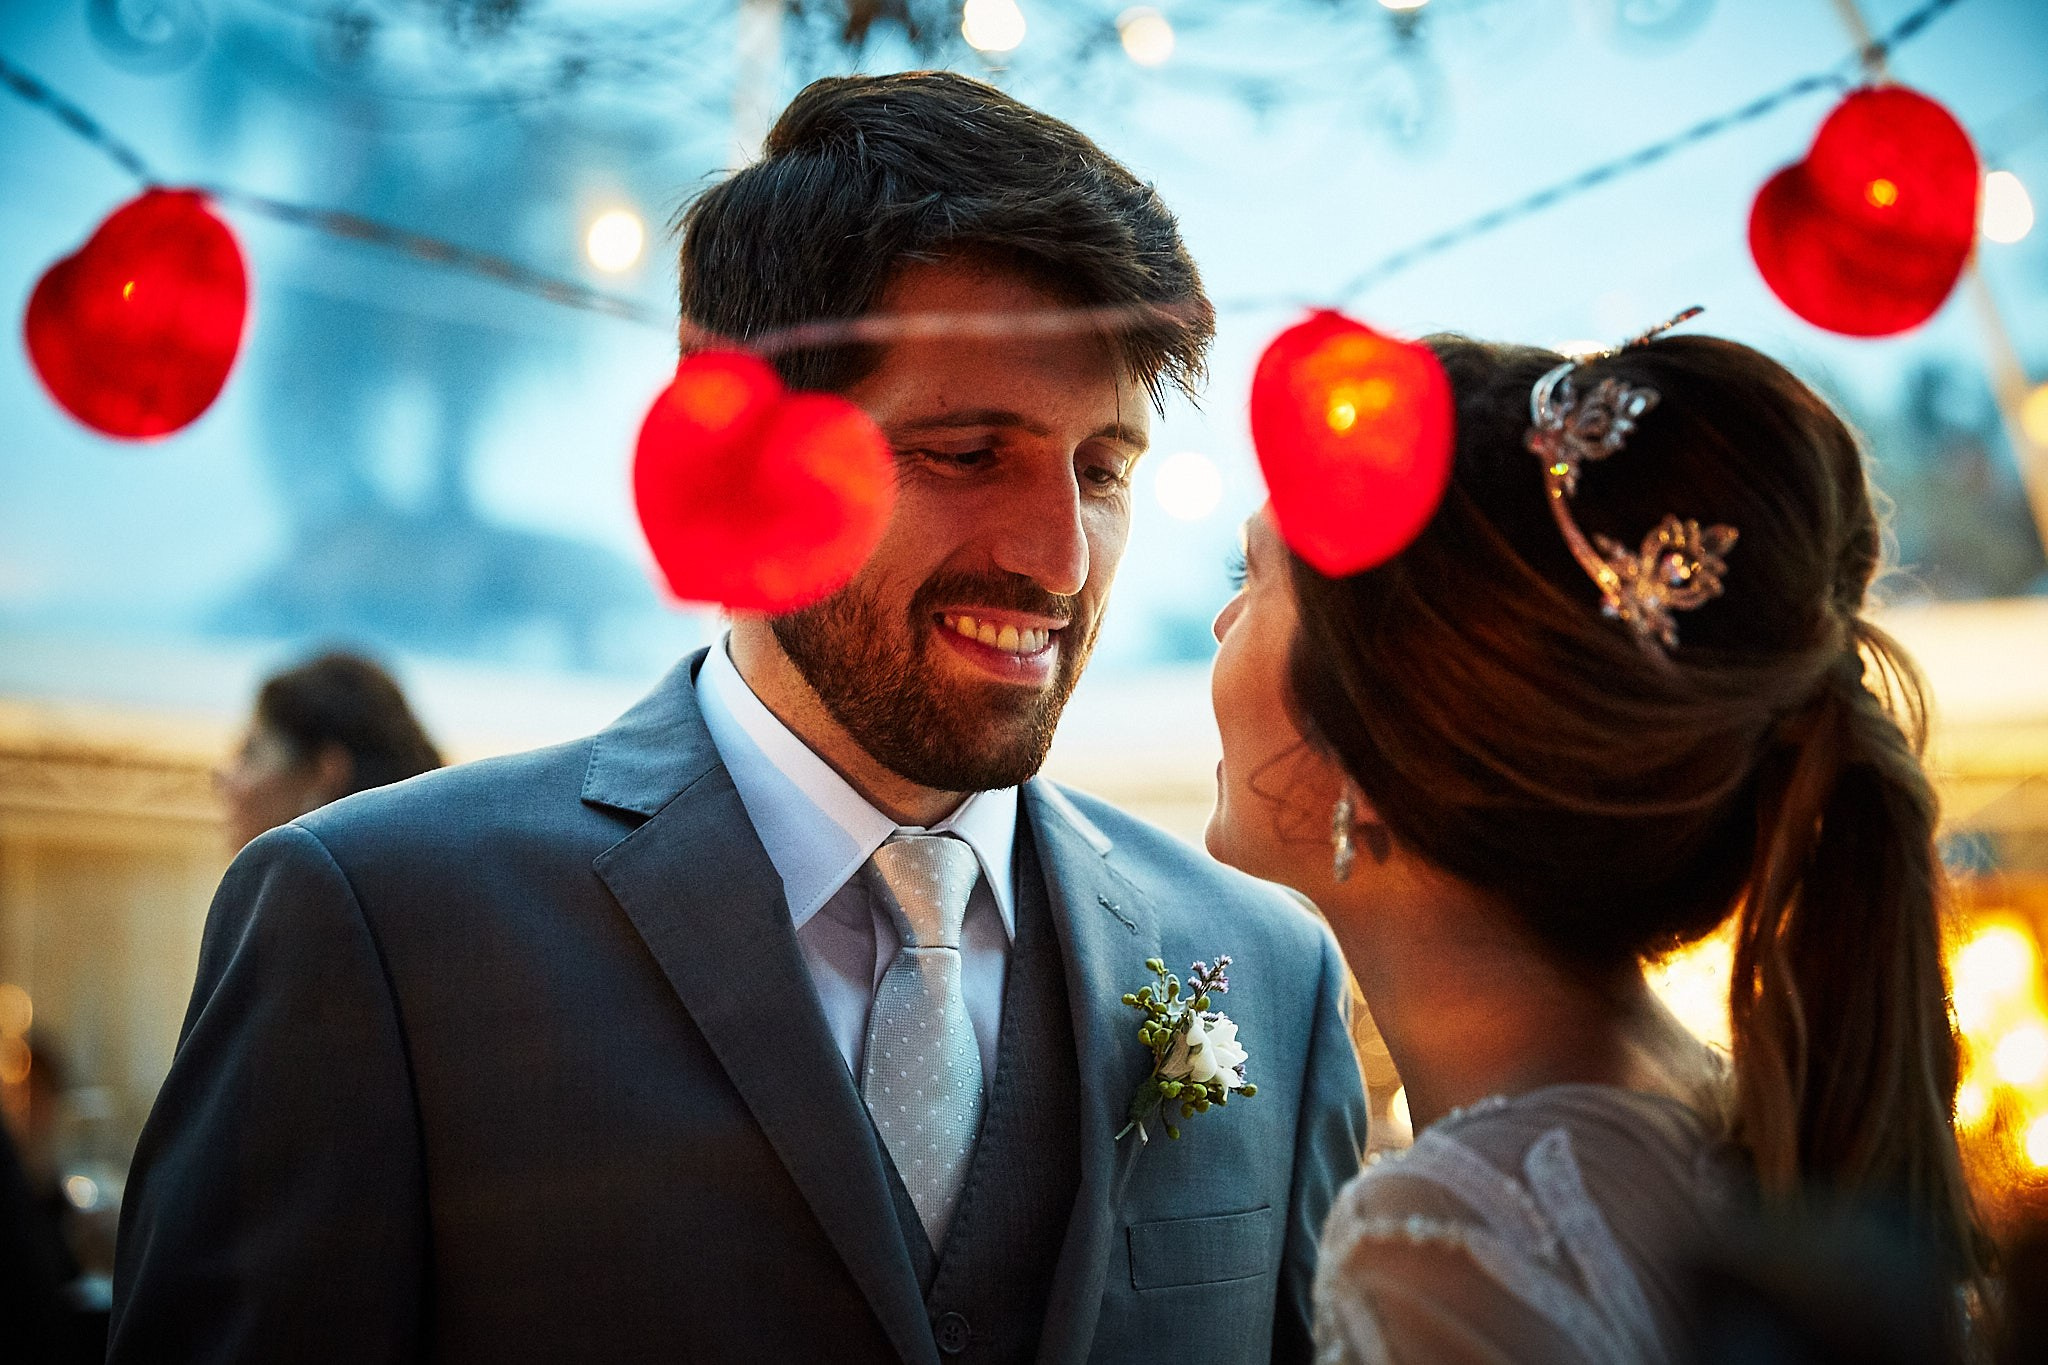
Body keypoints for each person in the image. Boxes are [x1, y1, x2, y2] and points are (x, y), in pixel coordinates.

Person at [111, 73, 1368, 1364]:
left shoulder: (1267, 974)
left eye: (1102, 470)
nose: (1061, 556)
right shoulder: (377, 935)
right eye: (965, 450)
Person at [1206, 328, 1986, 1361]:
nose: (1220, 624)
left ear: (1375, 739)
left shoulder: (1446, 1245)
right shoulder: (1724, 1118)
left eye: (1254, 574)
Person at [214, 650, 443, 849]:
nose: (222, 776)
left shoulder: (308, 896)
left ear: (324, 775)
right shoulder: (431, 874)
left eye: (250, 754)